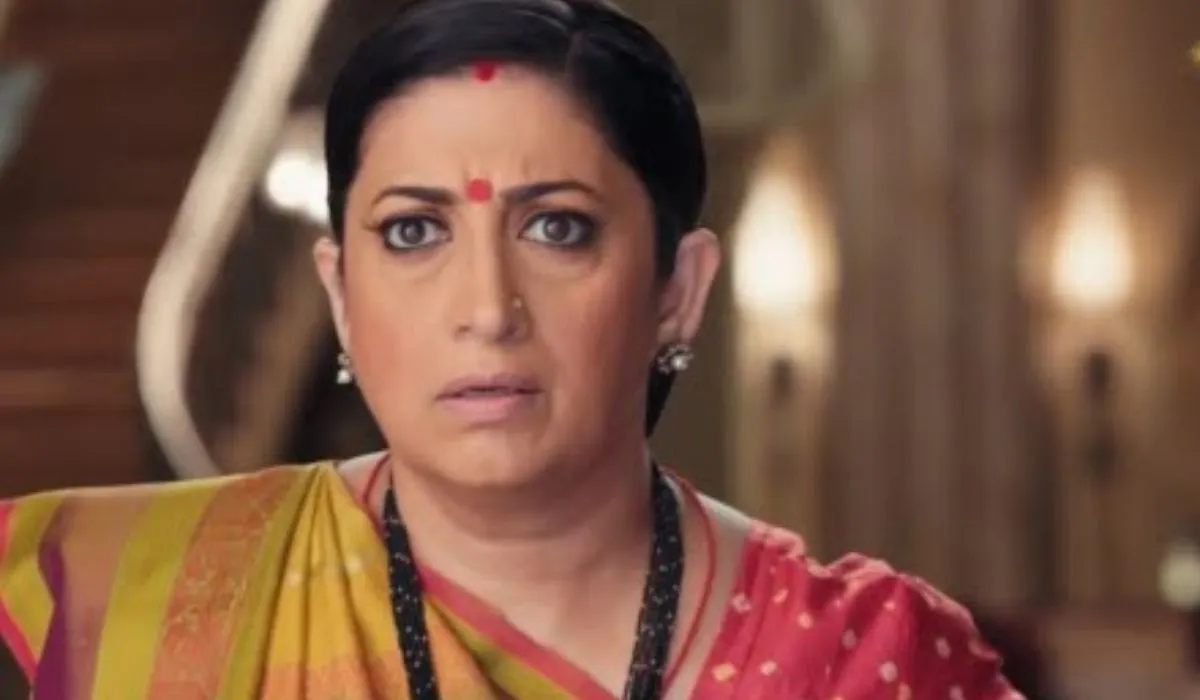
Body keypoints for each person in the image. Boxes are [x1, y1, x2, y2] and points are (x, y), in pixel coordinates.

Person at [0, 0, 1025, 697]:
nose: (488, 308)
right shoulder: (120, 591)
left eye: (557, 227)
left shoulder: (859, 661)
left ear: (678, 290)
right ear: (342, 298)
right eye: (413, 231)